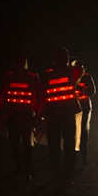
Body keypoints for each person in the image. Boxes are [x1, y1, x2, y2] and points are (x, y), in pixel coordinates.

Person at [37, 47, 84, 186]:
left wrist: (78, 64)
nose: (63, 59)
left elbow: (79, 71)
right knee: (54, 147)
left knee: (69, 146)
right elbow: (40, 94)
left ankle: (68, 177)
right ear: (54, 60)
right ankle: (57, 176)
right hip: (52, 115)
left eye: (65, 57)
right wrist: (37, 112)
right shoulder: (47, 74)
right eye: (60, 57)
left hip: (68, 113)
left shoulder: (71, 72)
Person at [0, 52, 40, 180]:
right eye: (17, 61)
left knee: (27, 143)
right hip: (12, 114)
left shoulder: (33, 77)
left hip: (27, 114)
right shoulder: (8, 77)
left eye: (21, 61)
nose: (19, 63)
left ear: (25, 62)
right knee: (13, 143)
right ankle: (19, 163)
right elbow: (0, 95)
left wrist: (37, 115)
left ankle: (27, 170)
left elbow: (38, 97)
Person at [70, 56, 96, 165]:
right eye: (76, 67)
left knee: (84, 131)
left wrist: (81, 90)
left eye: (81, 67)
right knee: (72, 131)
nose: (79, 69)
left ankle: (83, 156)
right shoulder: (68, 76)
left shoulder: (87, 76)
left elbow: (92, 91)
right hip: (72, 108)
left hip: (84, 107)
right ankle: (73, 155)